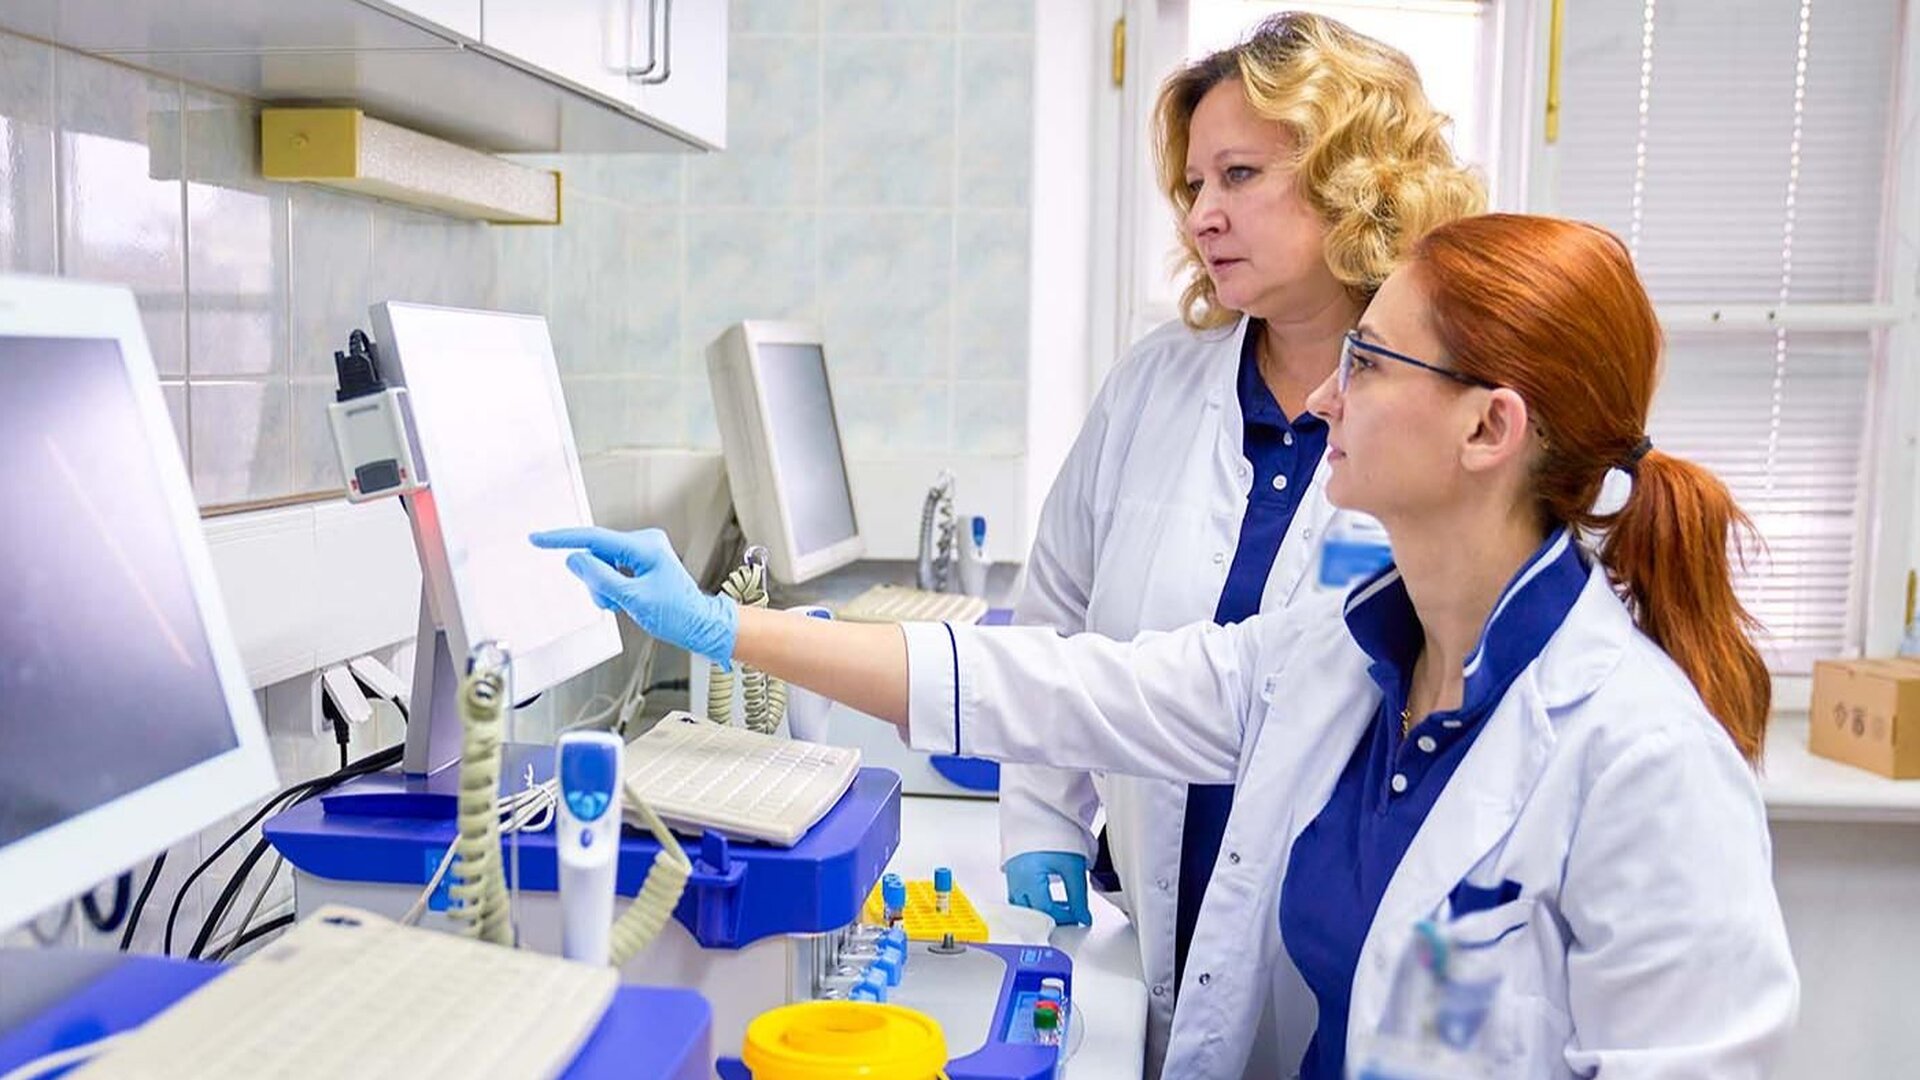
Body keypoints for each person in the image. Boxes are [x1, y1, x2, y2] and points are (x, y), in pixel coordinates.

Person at [533, 214, 1798, 1078]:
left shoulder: (1644, 764)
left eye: (1368, 360)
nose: (1323, 394)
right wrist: (729, 630)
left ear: (1489, 430)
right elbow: (1065, 682)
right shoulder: (1344, 657)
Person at [996, 13, 1482, 1071]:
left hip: (1354, 960)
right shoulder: (1154, 385)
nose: (1201, 215)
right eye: (1192, 185)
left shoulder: (1448, 413)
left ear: (1355, 181)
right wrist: (1044, 816)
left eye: (1240, 175)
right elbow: (1055, 617)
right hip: (1151, 925)